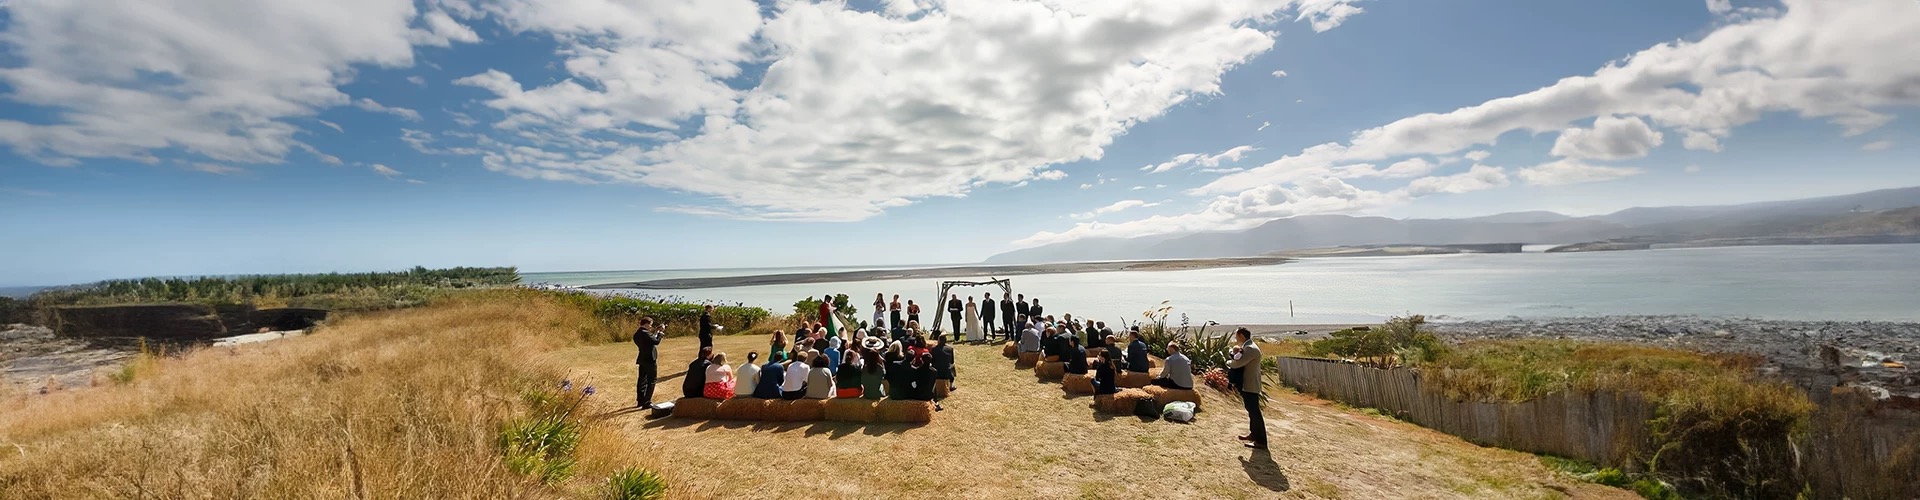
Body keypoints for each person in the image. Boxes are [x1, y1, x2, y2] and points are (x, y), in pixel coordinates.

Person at [1227, 328, 1266, 449]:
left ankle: (1261, 441)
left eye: (1236, 335)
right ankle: (1254, 434)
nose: (1235, 337)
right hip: (1248, 383)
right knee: (1251, 410)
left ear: (1241, 335)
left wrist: (1228, 362)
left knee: (1254, 412)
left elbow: (1237, 363)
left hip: (1250, 384)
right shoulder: (1248, 346)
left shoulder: (1249, 349)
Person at [632, 317, 664, 407]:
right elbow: (656, 341)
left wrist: (656, 332)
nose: (651, 327)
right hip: (650, 359)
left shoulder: (637, 334)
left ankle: (640, 400)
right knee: (652, 380)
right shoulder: (646, 333)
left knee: (642, 380)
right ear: (646, 324)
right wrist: (660, 334)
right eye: (650, 324)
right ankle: (647, 401)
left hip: (642, 358)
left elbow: (650, 339)